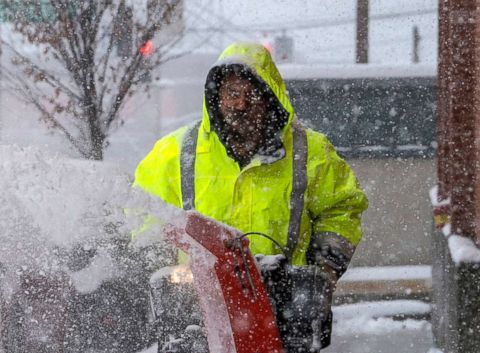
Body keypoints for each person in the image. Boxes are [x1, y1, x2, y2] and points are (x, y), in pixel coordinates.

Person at [134, 42, 367, 285]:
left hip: (288, 304)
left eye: (252, 94)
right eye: (233, 93)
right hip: (198, 304)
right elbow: (144, 217)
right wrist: (162, 271)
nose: (241, 104)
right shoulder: (175, 152)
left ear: (270, 99)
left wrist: (322, 270)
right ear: (217, 96)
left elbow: (341, 210)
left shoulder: (311, 152)